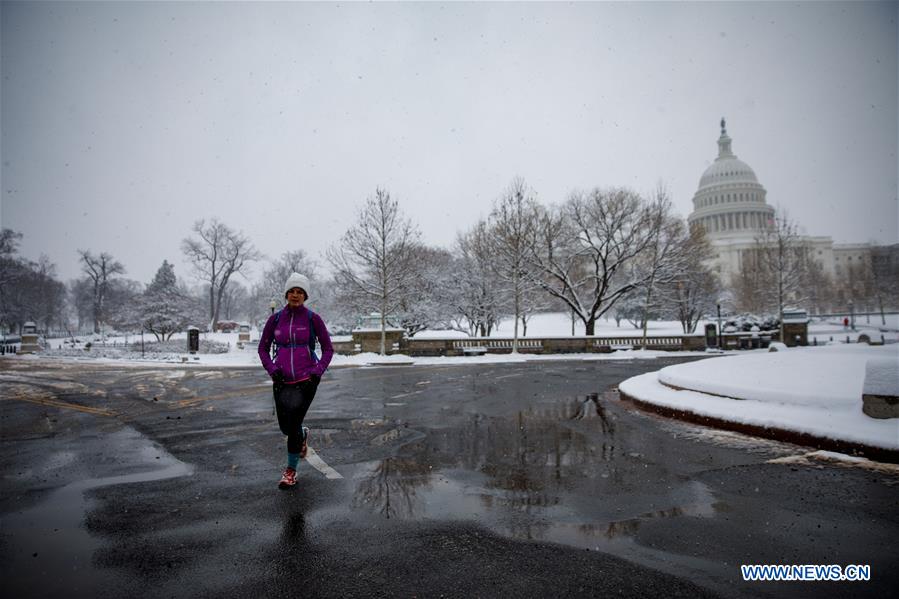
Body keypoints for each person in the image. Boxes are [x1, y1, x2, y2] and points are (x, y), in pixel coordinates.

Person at [258, 272, 333, 489]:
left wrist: (317, 372)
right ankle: (302, 433)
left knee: (292, 428)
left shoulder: (312, 319)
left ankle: (290, 472)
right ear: (286, 294)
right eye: (292, 291)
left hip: (306, 380)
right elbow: (262, 348)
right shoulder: (275, 319)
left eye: (300, 292)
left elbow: (328, 349)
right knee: (285, 427)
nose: (295, 295)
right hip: (281, 380)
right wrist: (272, 370)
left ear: (305, 295)